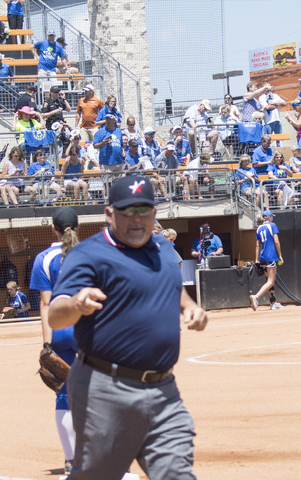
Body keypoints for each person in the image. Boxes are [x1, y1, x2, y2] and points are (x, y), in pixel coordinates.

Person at [48, 176, 208, 480]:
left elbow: (173, 287)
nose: (137, 219)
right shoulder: (88, 254)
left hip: (162, 390)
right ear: (109, 214)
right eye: (127, 211)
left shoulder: (162, 248)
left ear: (154, 213)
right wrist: (77, 304)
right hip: (104, 388)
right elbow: (55, 315)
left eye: (144, 211)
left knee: (176, 474)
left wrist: (190, 308)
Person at [29, 207, 79, 475]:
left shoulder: (43, 258)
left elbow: (46, 303)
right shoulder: (90, 253)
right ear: (78, 226)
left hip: (59, 330)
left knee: (64, 394)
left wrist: (47, 343)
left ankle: (71, 460)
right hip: (86, 329)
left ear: (53, 228)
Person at [249, 210, 284, 311]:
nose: (273, 218)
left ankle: (273, 302)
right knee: (270, 281)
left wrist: (256, 259)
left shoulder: (259, 228)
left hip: (263, 257)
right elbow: (276, 241)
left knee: (268, 280)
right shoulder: (272, 225)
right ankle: (256, 297)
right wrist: (280, 255)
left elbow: (257, 245)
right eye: (272, 216)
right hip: (271, 256)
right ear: (269, 217)